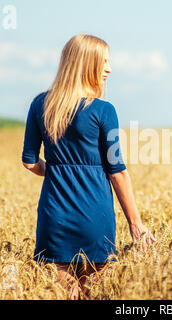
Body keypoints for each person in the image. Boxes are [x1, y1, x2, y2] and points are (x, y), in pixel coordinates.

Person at [21, 34, 156, 299]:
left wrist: (57, 171)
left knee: (64, 294)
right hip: (96, 215)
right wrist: (135, 223)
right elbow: (116, 171)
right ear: (86, 64)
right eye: (104, 61)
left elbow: (29, 162)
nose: (109, 68)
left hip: (54, 215)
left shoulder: (40, 105)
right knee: (92, 294)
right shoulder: (104, 111)